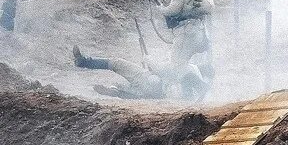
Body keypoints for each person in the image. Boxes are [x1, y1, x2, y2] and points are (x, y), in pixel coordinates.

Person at [71, 45, 209, 101]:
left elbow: (159, 69)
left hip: (153, 82)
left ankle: (84, 62)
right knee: (132, 92)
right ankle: (114, 91)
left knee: (117, 63)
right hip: (158, 93)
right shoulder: (193, 75)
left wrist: (147, 59)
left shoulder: (186, 68)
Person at [158, 0, 216, 87]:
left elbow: (172, 10)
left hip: (186, 32)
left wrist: (161, 9)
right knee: (184, 61)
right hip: (199, 31)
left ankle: (201, 85)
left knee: (177, 63)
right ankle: (190, 88)